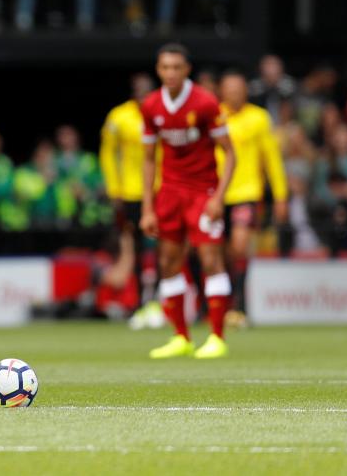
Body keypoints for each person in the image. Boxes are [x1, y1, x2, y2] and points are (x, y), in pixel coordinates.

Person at [140, 43, 235, 359]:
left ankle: (217, 336)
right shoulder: (151, 106)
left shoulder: (206, 103)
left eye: (176, 67)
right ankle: (180, 336)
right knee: (167, 261)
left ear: (187, 70)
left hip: (202, 191)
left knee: (210, 258)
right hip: (169, 192)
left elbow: (230, 154)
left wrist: (219, 197)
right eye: (165, 67)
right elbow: (148, 159)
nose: (170, 73)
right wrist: (148, 207)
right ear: (158, 70)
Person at [216, 71, 287, 326]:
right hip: (215, 195)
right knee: (217, 253)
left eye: (239, 88)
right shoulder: (213, 116)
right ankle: (218, 306)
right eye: (230, 88)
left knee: (238, 247)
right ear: (221, 91)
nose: (234, 93)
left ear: (246, 91)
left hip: (246, 192)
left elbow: (272, 159)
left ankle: (239, 306)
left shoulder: (258, 118)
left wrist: (280, 195)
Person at [100, 74, 162, 329]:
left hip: (159, 190)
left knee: (160, 247)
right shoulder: (118, 117)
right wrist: (114, 188)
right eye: (139, 90)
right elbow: (107, 153)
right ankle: (138, 303)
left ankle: (156, 300)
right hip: (130, 192)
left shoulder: (162, 114)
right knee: (134, 248)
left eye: (147, 90)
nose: (143, 95)